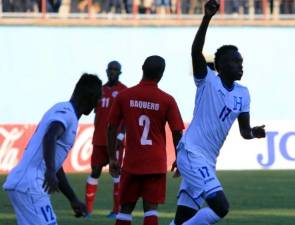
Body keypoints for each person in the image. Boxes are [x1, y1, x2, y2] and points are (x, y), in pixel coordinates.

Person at [169, 1, 266, 224]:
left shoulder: (244, 93)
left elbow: (243, 131)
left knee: (183, 218)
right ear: (221, 65)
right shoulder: (207, 81)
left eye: (242, 62)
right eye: (235, 62)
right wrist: (207, 18)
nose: (241, 66)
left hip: (208, 160)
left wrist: (254, 132)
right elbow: (195, 51)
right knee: (221, 207)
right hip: (192, 153)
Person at [3, 73, 102, 225]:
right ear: (89, 98)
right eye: (97, 100)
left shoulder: (67, 113)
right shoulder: (66, 112)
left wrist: (73, 199)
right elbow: (50, 135)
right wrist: (49, 170)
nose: (97, 106)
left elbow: (56, 165)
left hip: (24, 183)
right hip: (30, 184)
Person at [107, 55, 185, 225]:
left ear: (142, 68)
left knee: (125, 210)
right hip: (155, 164)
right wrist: (179, 158)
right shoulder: (167, 100)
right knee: (150, 210)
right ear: (161, 74)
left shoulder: (124, 96)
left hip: (132, 162)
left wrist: (112, 157)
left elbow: (111, 127)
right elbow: (177, 132)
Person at [85, 61, 128, 218]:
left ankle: (116, 211)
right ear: (106, 71)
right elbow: (95, 112)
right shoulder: (100, 91)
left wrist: (121, 134)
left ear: (120, 72)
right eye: (110, 69)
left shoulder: (124, 91)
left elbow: (127, 117)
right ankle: (87, 211)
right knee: (95, 171)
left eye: (115, 70)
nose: (112, 72)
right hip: (99, 140)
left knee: (116, 174)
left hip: (115, 140)